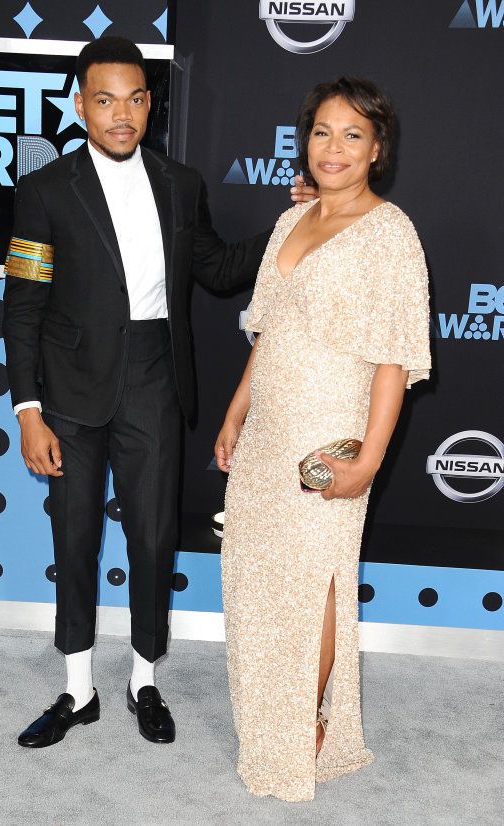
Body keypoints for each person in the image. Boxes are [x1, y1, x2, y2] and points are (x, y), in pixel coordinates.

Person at [2, 36, 315, 749]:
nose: (121, 114)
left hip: (154, 379)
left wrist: (292, 221)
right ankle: (77, 689)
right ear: (80, 104)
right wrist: (28, 411)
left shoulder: (182, 183)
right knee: (74, 539)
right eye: (104, 99)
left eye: (135, 98)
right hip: (70, 393)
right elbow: (21, 307)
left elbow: (222, 269)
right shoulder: (45, 189)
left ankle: (144, 678)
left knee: (152, 539)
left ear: (150, 103)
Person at [215, 77, 431, 801]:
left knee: (316, 583)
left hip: (327, 433)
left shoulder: (392, 234)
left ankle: (301, 723)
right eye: (321, 133)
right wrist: (236, 413)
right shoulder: (290, 222)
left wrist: (368, 460)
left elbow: (395, 359)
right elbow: (267, 330)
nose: (333, 149)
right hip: (270, 424)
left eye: (352, 136)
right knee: (256, 582)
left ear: (377, 150)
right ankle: (269, 719)